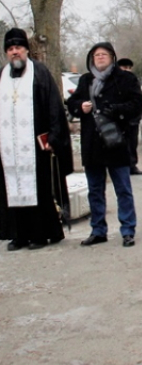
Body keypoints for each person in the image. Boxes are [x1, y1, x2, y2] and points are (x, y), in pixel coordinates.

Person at [67, 42, 142, 247]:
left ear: (112, 57)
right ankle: (98, 229)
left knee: (123, 189)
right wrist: (80, 107)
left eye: (104, 54)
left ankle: (128, 229)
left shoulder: (125, 79)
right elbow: (72, 104)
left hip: (116, 141)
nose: (100, 58)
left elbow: (138, 104)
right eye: (96, 55)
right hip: (92, 143)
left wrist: (116, 110)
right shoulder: (86, 80)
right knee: (95, 189)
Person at [0, 28, 73, 250]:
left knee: (39, 189)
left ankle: (40, 234)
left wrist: (53, 135)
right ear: (6, 53)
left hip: (35, 146)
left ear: (26, 50)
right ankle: (19, 234)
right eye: (10, 49)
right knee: (11, 190)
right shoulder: (1, 75)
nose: (15, 53)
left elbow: (54, 107)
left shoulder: (39, 73)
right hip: (8, 149)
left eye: (18, 48)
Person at [116, 58, 142, 175]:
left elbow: (140, 101)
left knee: (132, 144)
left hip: (132, 120)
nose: (127, 70)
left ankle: (132, 165)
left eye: (129, 68)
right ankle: (122, 167)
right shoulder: (115, 81)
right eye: (124, 67)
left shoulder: (133, 81)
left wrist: (137, 116)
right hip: (119, 120)